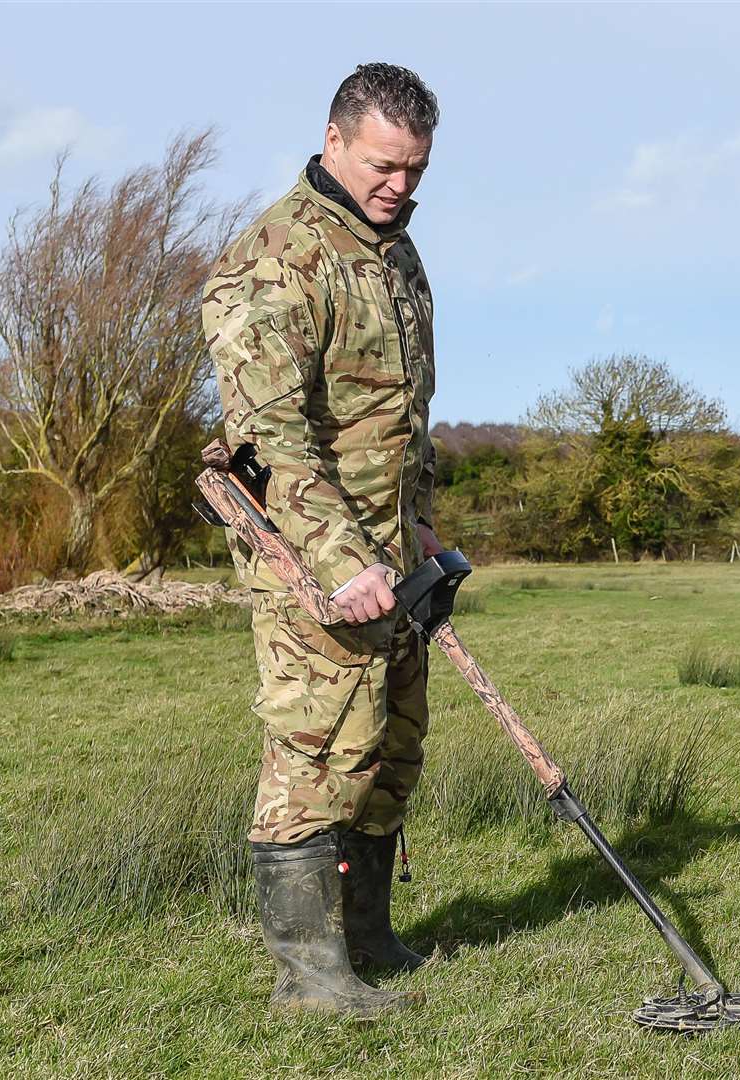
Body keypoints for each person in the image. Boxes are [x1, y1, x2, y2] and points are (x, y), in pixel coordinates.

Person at [203, 62, 443, 1015]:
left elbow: (407, 413)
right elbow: (269, 440)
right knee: (317, 754)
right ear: (335, 139)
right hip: (312, 560)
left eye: (415, 170)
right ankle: (308, 977)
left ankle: (366, 934)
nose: (399, 186)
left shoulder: (395, 255)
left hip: (396, 550)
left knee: (393, 746)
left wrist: (419, 520)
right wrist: (342, 565)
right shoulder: (273, 261)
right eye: (385, 165)